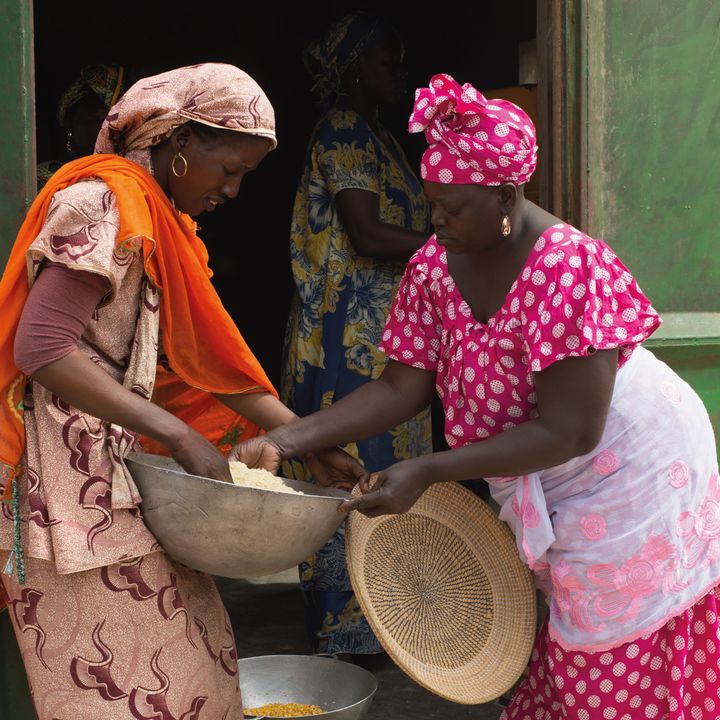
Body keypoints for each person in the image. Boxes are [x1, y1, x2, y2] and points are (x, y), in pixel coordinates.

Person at [233, 74, 720, 719]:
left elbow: (572, 430)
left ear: (507, 196)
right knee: (572, 637)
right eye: (431, 201)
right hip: (552, 467)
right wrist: (287, 439)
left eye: (452, 207)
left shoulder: (566, 268)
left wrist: (428, 470)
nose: (435, 219)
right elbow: (402, 385)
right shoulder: (436, 264)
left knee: (605, 642)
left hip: (631, 468)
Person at [0, 63, 363, 720]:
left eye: (244, 176)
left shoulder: (157, 223)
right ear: (180, 144)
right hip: (60, 496)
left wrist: (310, 442)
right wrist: (177, 433)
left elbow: (207, 362)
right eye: (230, 169)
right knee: (130, 686)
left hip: (111, 477)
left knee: (196, 658)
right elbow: (42, 348)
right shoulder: (100, 204)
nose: (233, 188)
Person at [282, 11, 433, 658]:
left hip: (386, 330)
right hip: (350, 333)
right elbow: (368, 233)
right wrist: (457, 249)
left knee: (388, 469)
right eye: (385, 60)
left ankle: (386, 619)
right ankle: (347, 628)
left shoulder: (381, 139)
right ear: (351, 68)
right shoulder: (343, 130)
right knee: (355, 467)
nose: (398, 72)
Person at [37, 63, 127, 189]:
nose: (108, 127)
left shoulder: (126, 175)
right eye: (99, 118)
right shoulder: (46, 180)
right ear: (71, 122)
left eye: (114, 120)